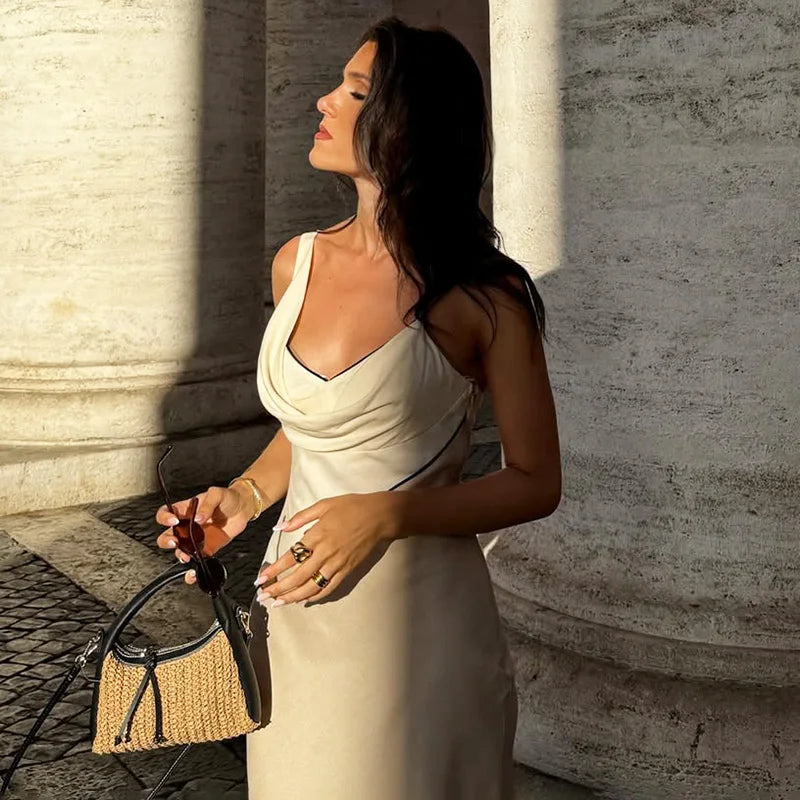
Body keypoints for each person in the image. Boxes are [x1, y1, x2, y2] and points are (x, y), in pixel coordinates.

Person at [155, 15, 561, 800]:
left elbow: (536, 481)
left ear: (409, 123)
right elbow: (312, 427)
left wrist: (384, 514)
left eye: (354, 90)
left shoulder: (486, 298)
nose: (324, 99)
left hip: (417, 631)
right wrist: (241, 497)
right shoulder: (295, 263)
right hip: (295, 612)